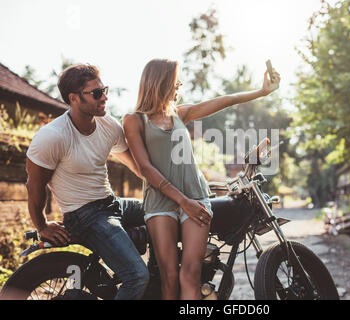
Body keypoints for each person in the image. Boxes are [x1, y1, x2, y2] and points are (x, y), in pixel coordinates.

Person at [123, 58, 280, 300]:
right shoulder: (134, 120)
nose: (179, 86)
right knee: (169, 278)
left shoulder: (180, 114)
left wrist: (261, 92)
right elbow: (145, 167)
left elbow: (226, 100)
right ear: (162, 83)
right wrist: (183, 201)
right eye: (176, 81)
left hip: (197, 196)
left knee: (191, 273)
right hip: (160, 203)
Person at [26, 64, 149, 300]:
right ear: (74, 99)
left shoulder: (107, 125)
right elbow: (34, 185)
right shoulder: (54, 136)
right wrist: (41, 225)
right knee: (136, 276)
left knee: (163, 213)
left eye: (104, 90)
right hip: (85, 215)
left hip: (112, 204)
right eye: (96, 93)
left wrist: (171, 190)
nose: (104, 97)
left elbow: (136, 165)